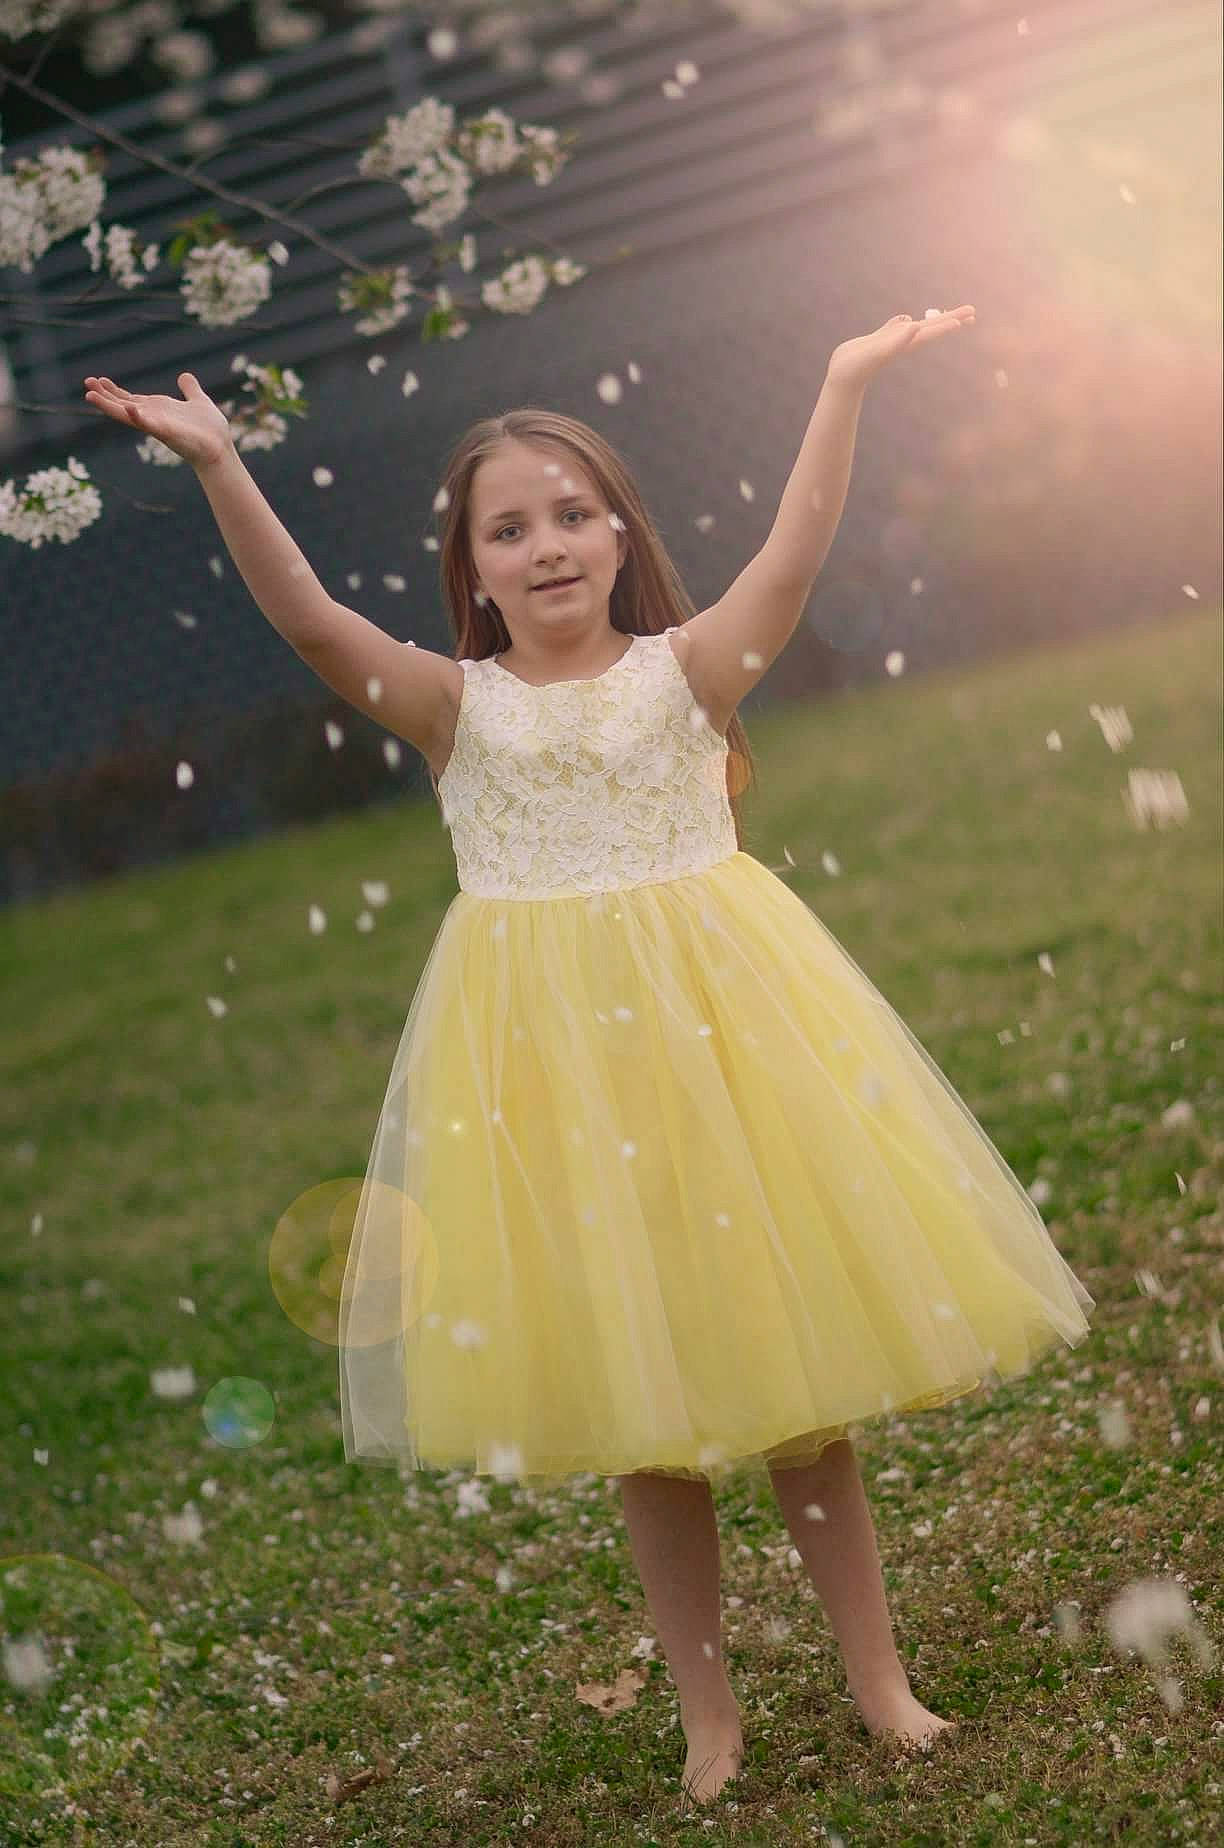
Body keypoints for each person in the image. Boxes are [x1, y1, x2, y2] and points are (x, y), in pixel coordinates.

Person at [83, 337, 1094, 1807]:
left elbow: (797, 554)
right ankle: (709, 1720)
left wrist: (841, 385)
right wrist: (225, 465)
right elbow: (305, 619)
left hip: (735, 1059)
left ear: (620, 534)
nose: (546, 544)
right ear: (473, 571)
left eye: (570, 513)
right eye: (509, 528)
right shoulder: (455, 709)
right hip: (558, 1084)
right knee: (648, 1410)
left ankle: (881, 1682)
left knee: (804, 1400)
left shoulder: (690, 672)